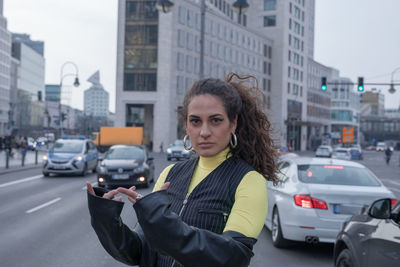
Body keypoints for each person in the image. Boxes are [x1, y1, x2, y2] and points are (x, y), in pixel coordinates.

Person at [87, 73, 278, 267]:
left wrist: (163, 224)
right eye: (195, 121)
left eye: (215, 120)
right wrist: (106, 220)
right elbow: (139, 251)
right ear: (186, 125)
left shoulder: (249, 181)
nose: (204, 132)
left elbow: (231, 257)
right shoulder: (170, 173)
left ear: (233, 123)